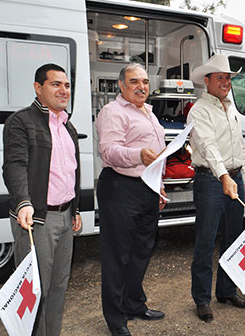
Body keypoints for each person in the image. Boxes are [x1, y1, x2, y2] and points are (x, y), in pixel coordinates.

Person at [2, 63, 82, 335]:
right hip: (37, 219)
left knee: (59, 287)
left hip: (64, 216)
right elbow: (14, 165)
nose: (63, 90)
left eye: (67, 85)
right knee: (36, 291)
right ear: (38, 88)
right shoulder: (21, 121)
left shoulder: (67, 126)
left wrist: (76, 210)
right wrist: (23, 201)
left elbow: (71, 170)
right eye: (55, 84)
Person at [96, 63, 167, 336]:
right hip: (120, 188)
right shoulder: (112, 112)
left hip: (147, 188)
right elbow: (110, 152)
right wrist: (138, 155)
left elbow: (157, 154)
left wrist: (159, 187)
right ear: (121, 86)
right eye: (134, 81)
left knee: (140, 252)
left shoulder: (149, 112)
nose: (141, 87)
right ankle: (116, 320)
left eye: (145, 82)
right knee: (117, 257)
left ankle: (134, 304)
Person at [187, 54, 245, 323]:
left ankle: (227, 291)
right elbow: (208, 147)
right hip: (210, 181)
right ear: (207, 81)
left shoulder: (231, 107)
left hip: (233, 177)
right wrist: (225, 177)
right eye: (220, 77)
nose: (226, 82)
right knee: (205, 240)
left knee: (233, 238)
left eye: (228, 78)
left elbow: (238, 147)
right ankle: (202, 300)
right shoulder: (199, 110)